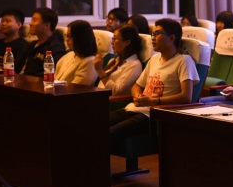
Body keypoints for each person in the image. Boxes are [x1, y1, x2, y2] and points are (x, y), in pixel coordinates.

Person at [109, 19, 199, 153]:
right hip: (135, 108)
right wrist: (138, 96)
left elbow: (186, 97)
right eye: (153, 34)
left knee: (109, 133)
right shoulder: (154, 59)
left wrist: (153, 101)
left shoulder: (183, 61)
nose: (153, 38)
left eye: (157, 34)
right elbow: (136, 86)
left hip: (154, 116)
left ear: (171, 38)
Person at [96, 25, 143, 96]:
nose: (112, 42)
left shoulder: (134, 65)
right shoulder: (114, 61)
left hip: (112, 101)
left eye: (115, 39)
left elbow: (116, 91)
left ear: (127, 42)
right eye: (112, 39)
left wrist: (100, 71)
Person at [20, 7, 66, 76]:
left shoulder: (56, 47)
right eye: (31, 20)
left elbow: (53, 73)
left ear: (46, 25)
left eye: (34, 20)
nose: (30, 24)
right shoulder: (32, 45)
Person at [55, 20, 98, 85]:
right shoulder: (69, 55)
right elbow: (55, 78)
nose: (67, 39)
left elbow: (77, 87)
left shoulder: (90, 61)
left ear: (80, 37)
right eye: (67, 36)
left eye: (70, 36)